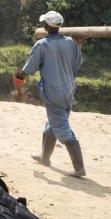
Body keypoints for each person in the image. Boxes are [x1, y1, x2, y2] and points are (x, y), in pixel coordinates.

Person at [14, 11, 85, 178]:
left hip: (53, 92)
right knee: (53, 123)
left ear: (46, 26)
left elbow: (29, 69)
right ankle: (45, 157)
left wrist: (18, 76)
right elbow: (78, 62)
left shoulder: (42, 45)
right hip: (69, 89)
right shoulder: (71, 43)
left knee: (61, 127)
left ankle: (79, 168)